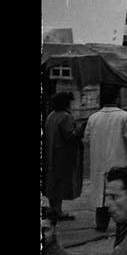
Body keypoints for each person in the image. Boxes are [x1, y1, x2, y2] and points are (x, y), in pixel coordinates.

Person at [83, 86, 127, 231]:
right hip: (120, 161)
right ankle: (122, 224)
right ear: (117, 98)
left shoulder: (93, 118)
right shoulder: (124, 117)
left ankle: (101, 224)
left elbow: (86, 140)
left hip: (100, 162)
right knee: (120, 194)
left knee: (101, 196)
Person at [42, 91, 83, 220]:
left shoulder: (51, 116)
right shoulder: (66, 117)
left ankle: (54, 209)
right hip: (62, 155)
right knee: (60, 182)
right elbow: (70, 136)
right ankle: (58, 211)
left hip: (50, 153)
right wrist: (80, 130)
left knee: (52, 181)